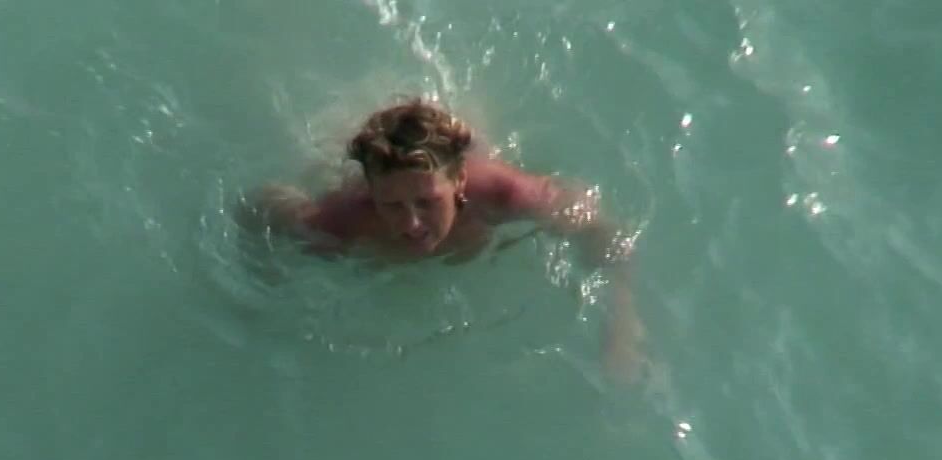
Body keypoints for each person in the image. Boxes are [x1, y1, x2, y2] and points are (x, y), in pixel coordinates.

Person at [237, 98, 644, 381]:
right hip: (365, 170)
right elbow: (262, 206)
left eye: (427, 202)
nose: (412, 224)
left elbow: (600, 227)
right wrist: (264, 286)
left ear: (459, 182)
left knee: (475, 134)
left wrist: (623, 330)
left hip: (464, 155)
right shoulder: (344, 220)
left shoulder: (507, 196)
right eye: (392, 205)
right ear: (371, 193)